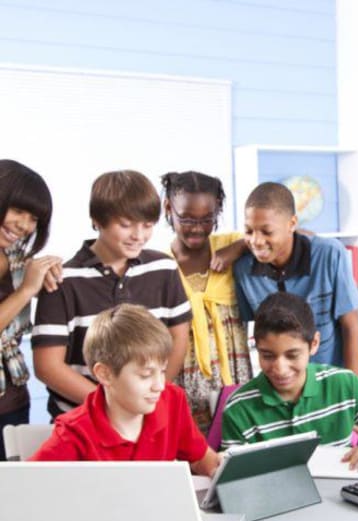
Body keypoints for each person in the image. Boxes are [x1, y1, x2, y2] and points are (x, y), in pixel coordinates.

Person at [32, 170, 192, 419]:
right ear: (97, 219)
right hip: (82, 421)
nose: (138, 235)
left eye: (147, 225)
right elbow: (48, 367)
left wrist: (148, 396)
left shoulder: (164, 269)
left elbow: (178, 341)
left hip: (146, 417)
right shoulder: (63, 281)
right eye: (126, 225)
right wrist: (113, 406)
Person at [222, 292, 358, 471]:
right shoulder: (238, 408)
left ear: (314, 344)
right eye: (267, 355)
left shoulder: (344, 384)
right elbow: (234, 479)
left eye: (292, 355)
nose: (280, 368)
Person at [30, 304, 220, 476]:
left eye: (162, 371)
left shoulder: (172, 400)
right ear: (105, 374)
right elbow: (21, 486)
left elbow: (200, 457)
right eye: (145, 375)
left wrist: (218, 467)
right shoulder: (74, 433)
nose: (159, 385)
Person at [233, 181, 358, 387]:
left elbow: (351, 325)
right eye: (249, 231)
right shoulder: (243, 270)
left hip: (346, 380)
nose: (256, 241)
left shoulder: (329, 254)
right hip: (293, 390)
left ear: (292, 224)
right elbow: (254, 335)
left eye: (267, 231)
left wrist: (351, 390)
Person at [162, 170, 251, 433]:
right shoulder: (160, 264)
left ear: (218, 210)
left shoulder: (231, 245)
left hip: (234, 380)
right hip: (183, 385)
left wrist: (240, 247)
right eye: (187, 218)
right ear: (168, 208)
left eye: (207, 219)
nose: (197, 228)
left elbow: (286, 235)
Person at [0, 160, 62, 460]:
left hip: (12, 403)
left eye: (33, 217)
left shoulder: (17, 261)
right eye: (17, 210)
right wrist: (26, 291)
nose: (24, 225)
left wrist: (45, 272)